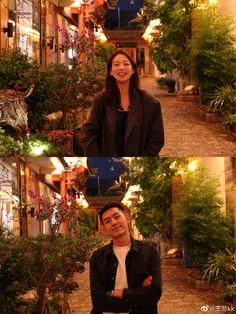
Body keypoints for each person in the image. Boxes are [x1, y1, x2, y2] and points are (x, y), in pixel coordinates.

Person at [79, 50, 164, 156]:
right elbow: (88, 133)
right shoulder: (100, 101)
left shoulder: (150, 103)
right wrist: (100, 158)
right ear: (110, 71)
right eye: (116, 64)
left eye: (126, 64)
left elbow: (156, 140)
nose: (122, 68)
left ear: (133, 70)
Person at [90, 202, 162, 314]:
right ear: (104, 228)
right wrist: (138, 295)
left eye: (117, 216)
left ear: (127, 218)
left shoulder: (149, 252)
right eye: (108, 221)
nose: (114, 222)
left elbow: (153, 294)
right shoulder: (98, 257)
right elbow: (99, 301)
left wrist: (117, 293)